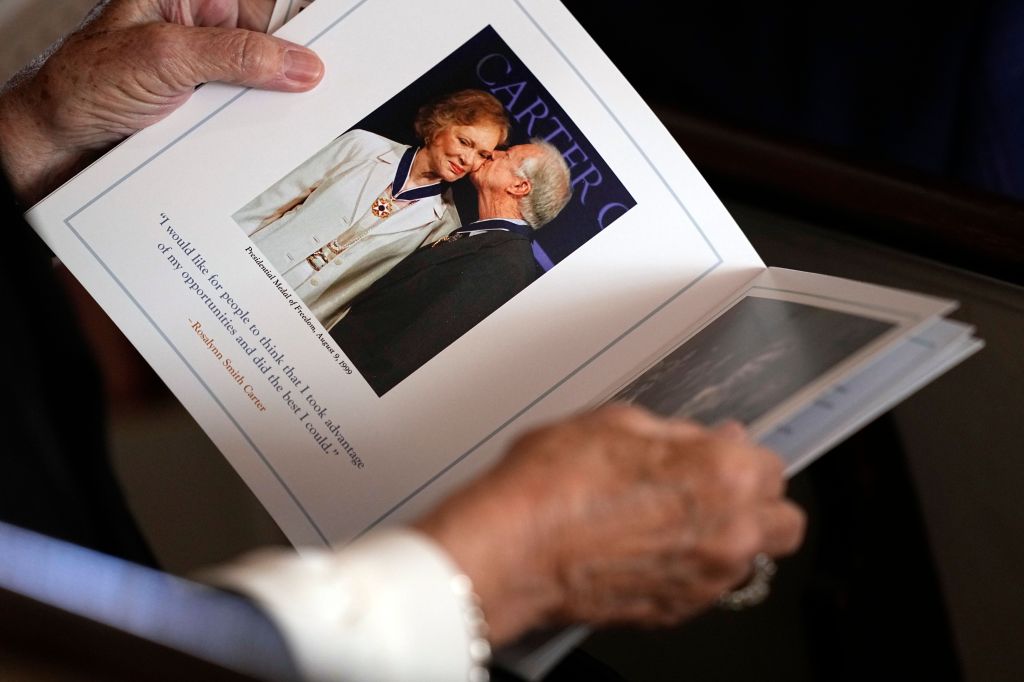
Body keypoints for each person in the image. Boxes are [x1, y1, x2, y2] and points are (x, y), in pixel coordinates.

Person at [0, 2, 805, 681]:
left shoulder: (467, 242)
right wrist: (499, 569)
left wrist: (30, 128)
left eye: (493, 153)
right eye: (473, 145)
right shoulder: (377, 168)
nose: (474, 160)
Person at [232, 89, 509, 330]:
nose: (468, 159)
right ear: (439, 126)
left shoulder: (444, 225)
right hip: (250, 266)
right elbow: (267, 204)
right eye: (465, 142)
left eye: (482, 155)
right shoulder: (362, 146)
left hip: (300, 314)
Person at [331, 140, 572, 395]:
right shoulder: (486, 239)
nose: (493, 153)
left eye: (507, 154)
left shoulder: (506, 264)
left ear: (519, 186)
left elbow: (416, 349)